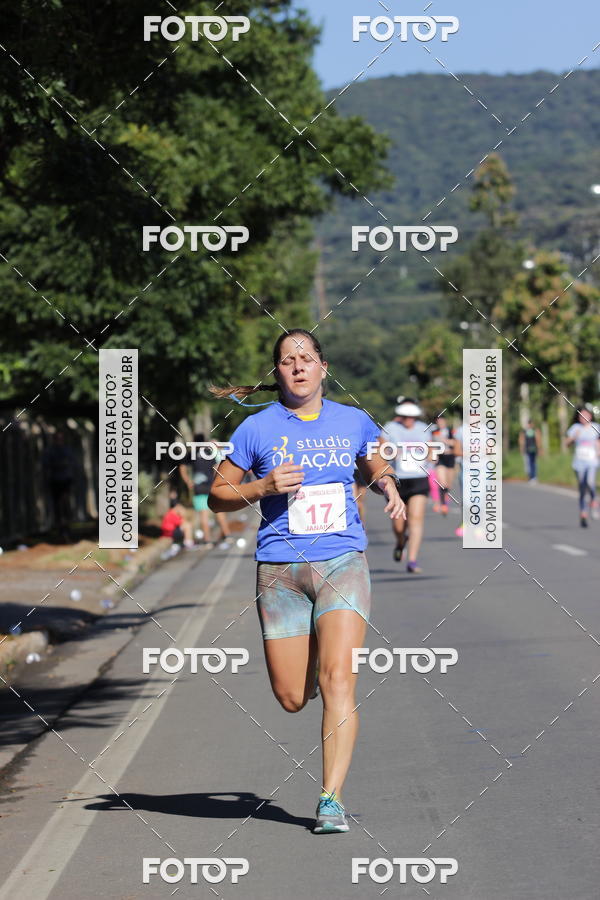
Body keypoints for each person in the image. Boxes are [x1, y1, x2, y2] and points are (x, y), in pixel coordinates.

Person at [208, 328, 403, 835]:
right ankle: (312, 657)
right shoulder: (256, 428)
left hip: (342, 562)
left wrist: (387, 484)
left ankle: (330, 799)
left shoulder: (352, 420)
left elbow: (375, 460)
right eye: (287, 360)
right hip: (280, 572)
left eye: (307, 358)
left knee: (339, 681)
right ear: (277, 372)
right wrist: (262, 486)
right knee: (292, 696)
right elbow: (217, 495)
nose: (298, 367)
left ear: (322, 367)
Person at [382, 399, 434, 573]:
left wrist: (430, 456)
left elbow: (430, 449)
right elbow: (381, 449)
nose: (408, 420)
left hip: (418, 478)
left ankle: (412, 560)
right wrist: (391, 452)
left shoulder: (423, 428)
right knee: (398, 525)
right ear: (400, 415)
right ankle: (400, 541)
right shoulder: (390, 428)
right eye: (405, 416)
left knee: (416, 518)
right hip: (397, 481)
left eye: (412, 416)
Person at [179, 434, 232, 547]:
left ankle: (207, 541)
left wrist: (188, 481)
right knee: (219, 511)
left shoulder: (191, 454)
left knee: (204, 515)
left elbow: (182, 467)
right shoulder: (209, 453)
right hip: (212, 486)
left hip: (198, 488)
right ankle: (227, 535)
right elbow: (217, 467)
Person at [566, 407, 600, 527]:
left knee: (590, 482)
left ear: (590, 416)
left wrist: (598, 451)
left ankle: (594, 500)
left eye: (586, 415)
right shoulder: (575, 428)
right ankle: (583, 513)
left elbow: (598, 442)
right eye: (581, 415)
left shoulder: (596, 427)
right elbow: (567, 443)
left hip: (592, 461)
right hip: (579, 462)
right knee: (582, 487)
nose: (583, 417)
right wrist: (574, 437)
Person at [42, 430, 77, 541]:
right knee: (57, 505)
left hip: (66, 480)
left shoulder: (67, 450)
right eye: (57, 439)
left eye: (60, 439)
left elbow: (72, 463)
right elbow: (45, 464)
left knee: (65, 503)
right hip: (55, 481)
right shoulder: (50, 451)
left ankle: (67, 527)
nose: (59, 441)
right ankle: (60, 529)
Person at [431, 414, 457, 515]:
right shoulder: (434, 432)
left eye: (442, 421)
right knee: (442, 482)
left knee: (449, 484)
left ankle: (445, 496)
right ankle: (443, 504)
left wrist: (444, 440)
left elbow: (456, 443)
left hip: (450, 458)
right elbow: (431, 444)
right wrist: (433, 455)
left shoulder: (452, 431)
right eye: (438, 421)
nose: (440, 423)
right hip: (440, 458)